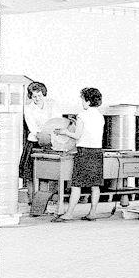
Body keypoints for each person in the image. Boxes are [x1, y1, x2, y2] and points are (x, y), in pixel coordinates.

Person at [52, 87, 105, 221]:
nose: (82, 103)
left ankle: (69, 213)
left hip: (84, 152)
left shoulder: (82, 115)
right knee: (95, 185)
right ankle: (92, 213)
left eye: (82, 100)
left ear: (88, 101)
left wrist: (64, 132)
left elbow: (77, 135)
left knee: (76, 185)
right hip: (97, 152)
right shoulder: (100, 116)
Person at [19, 81, 57, 204]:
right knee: (30, 176)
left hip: (49, 143)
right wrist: (43, 133)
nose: (37, 99)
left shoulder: (51, 105)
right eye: (34, 96)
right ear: (30, 96)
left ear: (43, 94)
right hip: (34, 143)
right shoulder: (28, 109)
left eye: (39, 95)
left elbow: (56, 122)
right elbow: (33, 128)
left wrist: (50, 135)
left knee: (45, 176)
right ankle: (32, 203)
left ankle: (41, 204)